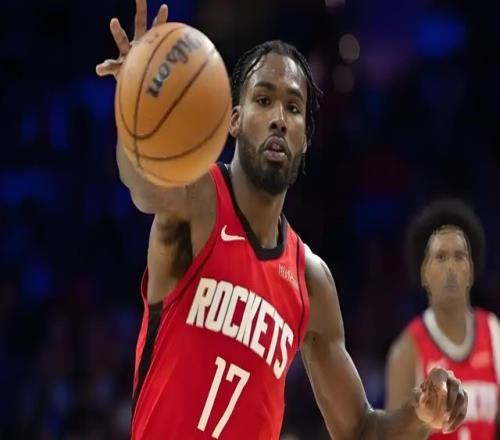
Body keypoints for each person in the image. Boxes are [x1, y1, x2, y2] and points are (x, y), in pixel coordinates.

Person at [96, 1, 467, 438]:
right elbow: (144, 186)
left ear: (305, 138)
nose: (278, 118)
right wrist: (136, 106)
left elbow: (359, 429)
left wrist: (421, 416)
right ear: (234, 120)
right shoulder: (197, 200)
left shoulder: (310, 280)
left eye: (293, 107)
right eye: (263, 99)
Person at [386, 199, 499, 439]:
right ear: (423, 272)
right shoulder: (406, 351)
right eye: (440, 257)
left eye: (459, 256)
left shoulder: (494, 333)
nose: (451, 268)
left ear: (471, 268)